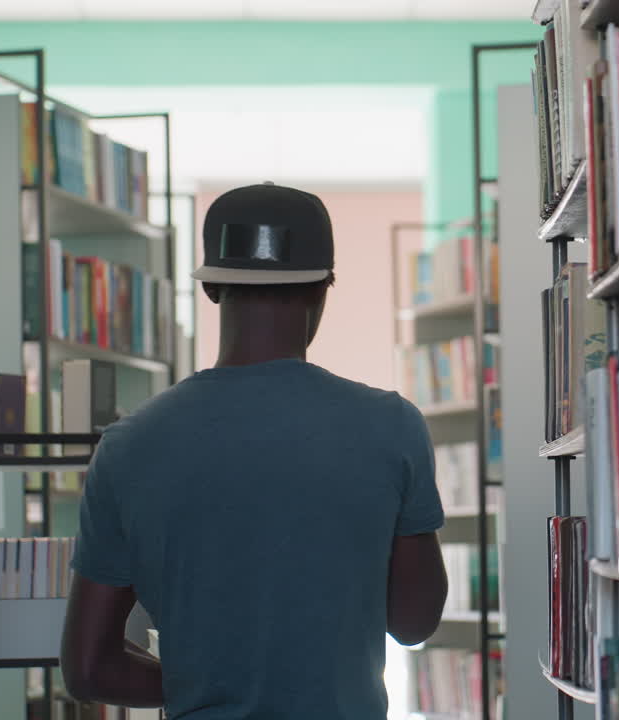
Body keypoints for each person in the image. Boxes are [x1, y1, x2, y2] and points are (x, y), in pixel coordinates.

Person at [61, 183, 449, 719]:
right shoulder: (391, 426)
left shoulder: (129, 446)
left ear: (212, 288)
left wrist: (205, 686)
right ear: (323, 288)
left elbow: (87, 669)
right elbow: (414, 621)